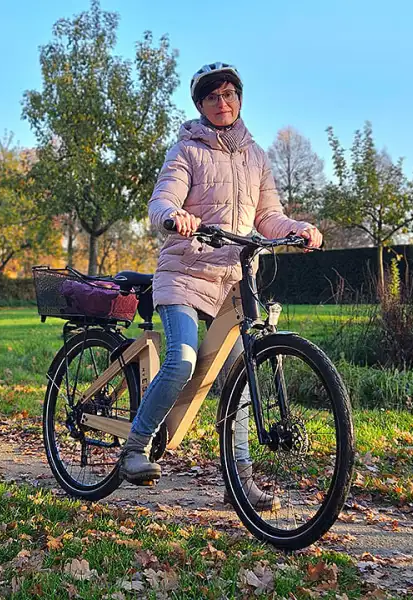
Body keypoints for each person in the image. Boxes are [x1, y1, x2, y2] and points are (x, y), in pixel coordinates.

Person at [119, 62, 323, 509]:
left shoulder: (256, 156)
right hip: (184, 274)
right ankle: (134, 448)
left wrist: (299, 227)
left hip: (233, 279)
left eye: (229, 93)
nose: (222, 102)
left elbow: (267, 216)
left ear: (240, 98)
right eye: (212, 96)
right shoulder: (185, 151)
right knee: (182, 361)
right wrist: (176, 217)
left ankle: (239, 481)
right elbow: (163, 200)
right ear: (200, 105)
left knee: (239, 378)